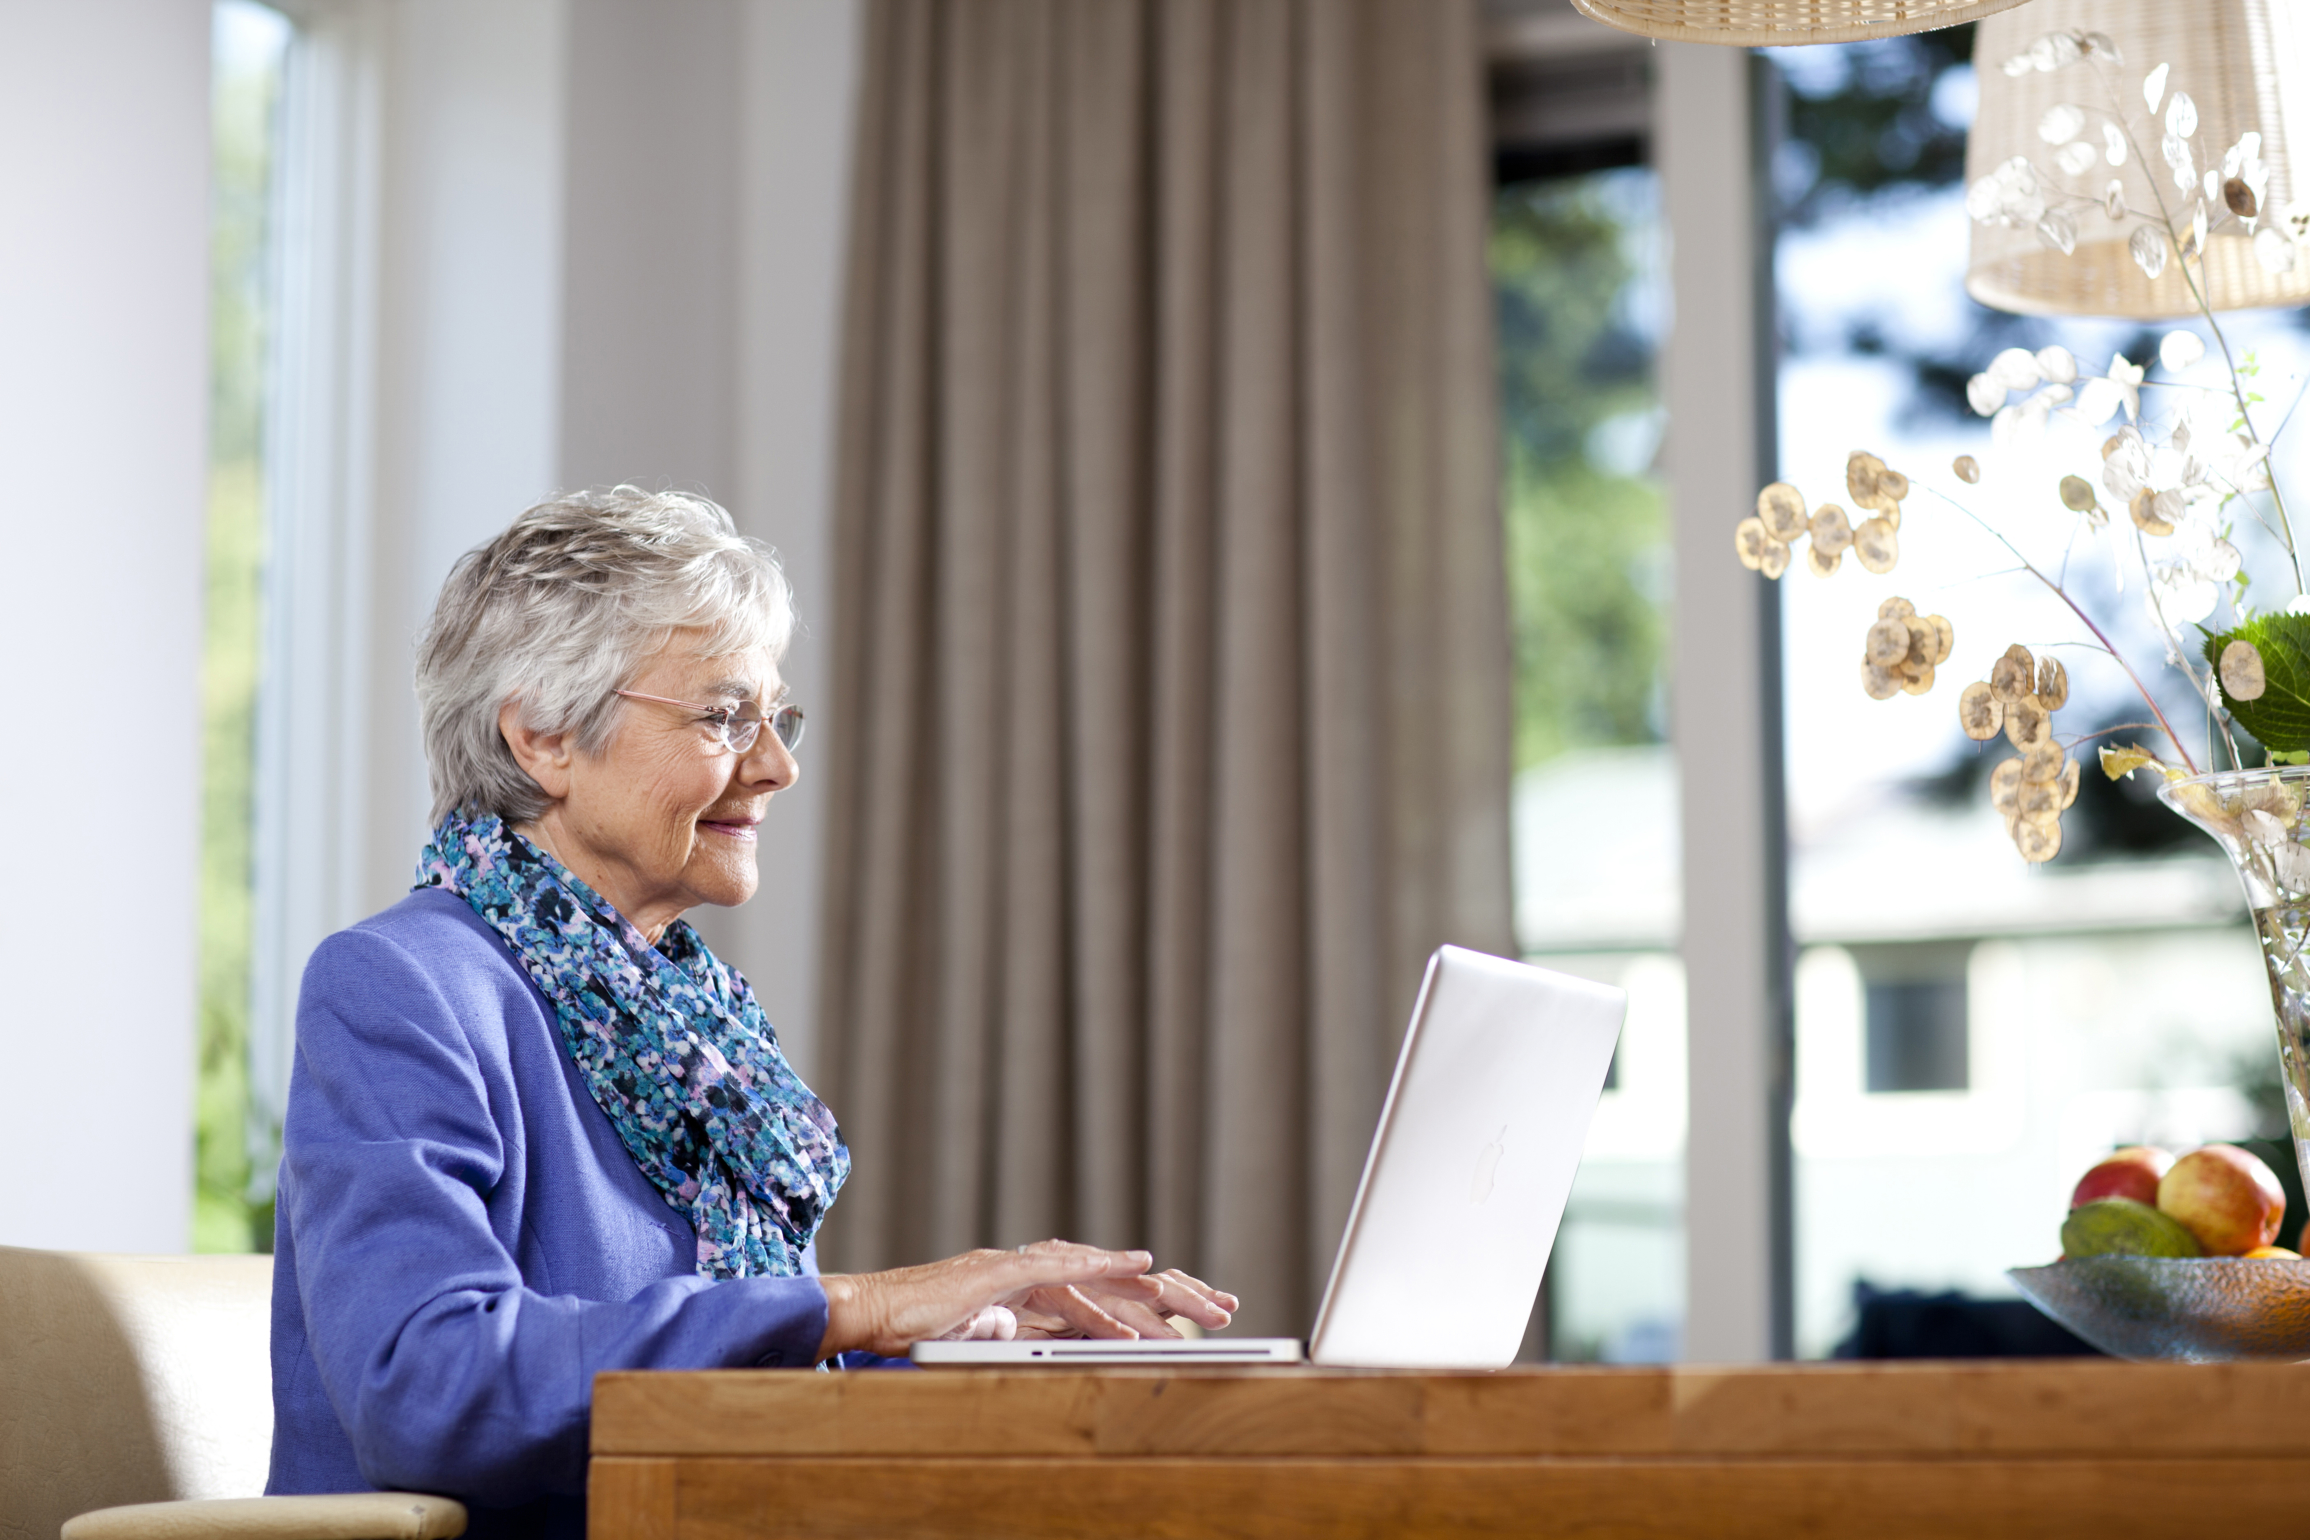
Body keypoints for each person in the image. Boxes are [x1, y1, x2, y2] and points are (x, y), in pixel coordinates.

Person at [265, 488, 1235, 1539]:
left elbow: (738, 1386)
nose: (778, 765)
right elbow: (428, 1388)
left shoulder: (693, 1027)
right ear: (543, 735)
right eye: (725, 717)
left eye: (776, 717)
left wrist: (974, 1344)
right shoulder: (402, 985)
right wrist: (857, 1307)